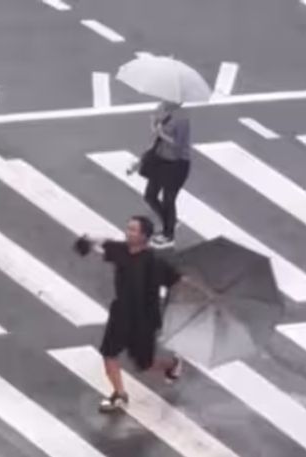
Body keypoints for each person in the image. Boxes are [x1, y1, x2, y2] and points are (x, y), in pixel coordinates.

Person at [76, 215, 215, 413]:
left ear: (144, 236)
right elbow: (103, 242)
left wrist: (204, 293)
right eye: (128, 228)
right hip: (121, 314)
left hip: (144, 319)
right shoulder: (121, 250)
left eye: (133, 230)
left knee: (144, 364)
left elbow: (179, 280)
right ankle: (119, 395)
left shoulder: (155, 263)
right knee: (109, 354)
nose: (128, 232)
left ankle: (172, 365)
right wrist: (87, 241)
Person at [128, 101, 191, 248]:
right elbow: (156, 141)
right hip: (160, 161)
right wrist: (155, 123)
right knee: (150, 196)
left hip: (176, 164)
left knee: (169, 200)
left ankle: (169, 235)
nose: (162, 103)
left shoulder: (182, 119)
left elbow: (179, 145)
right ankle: (171, 221)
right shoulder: (164, 112)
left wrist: (160, 132)